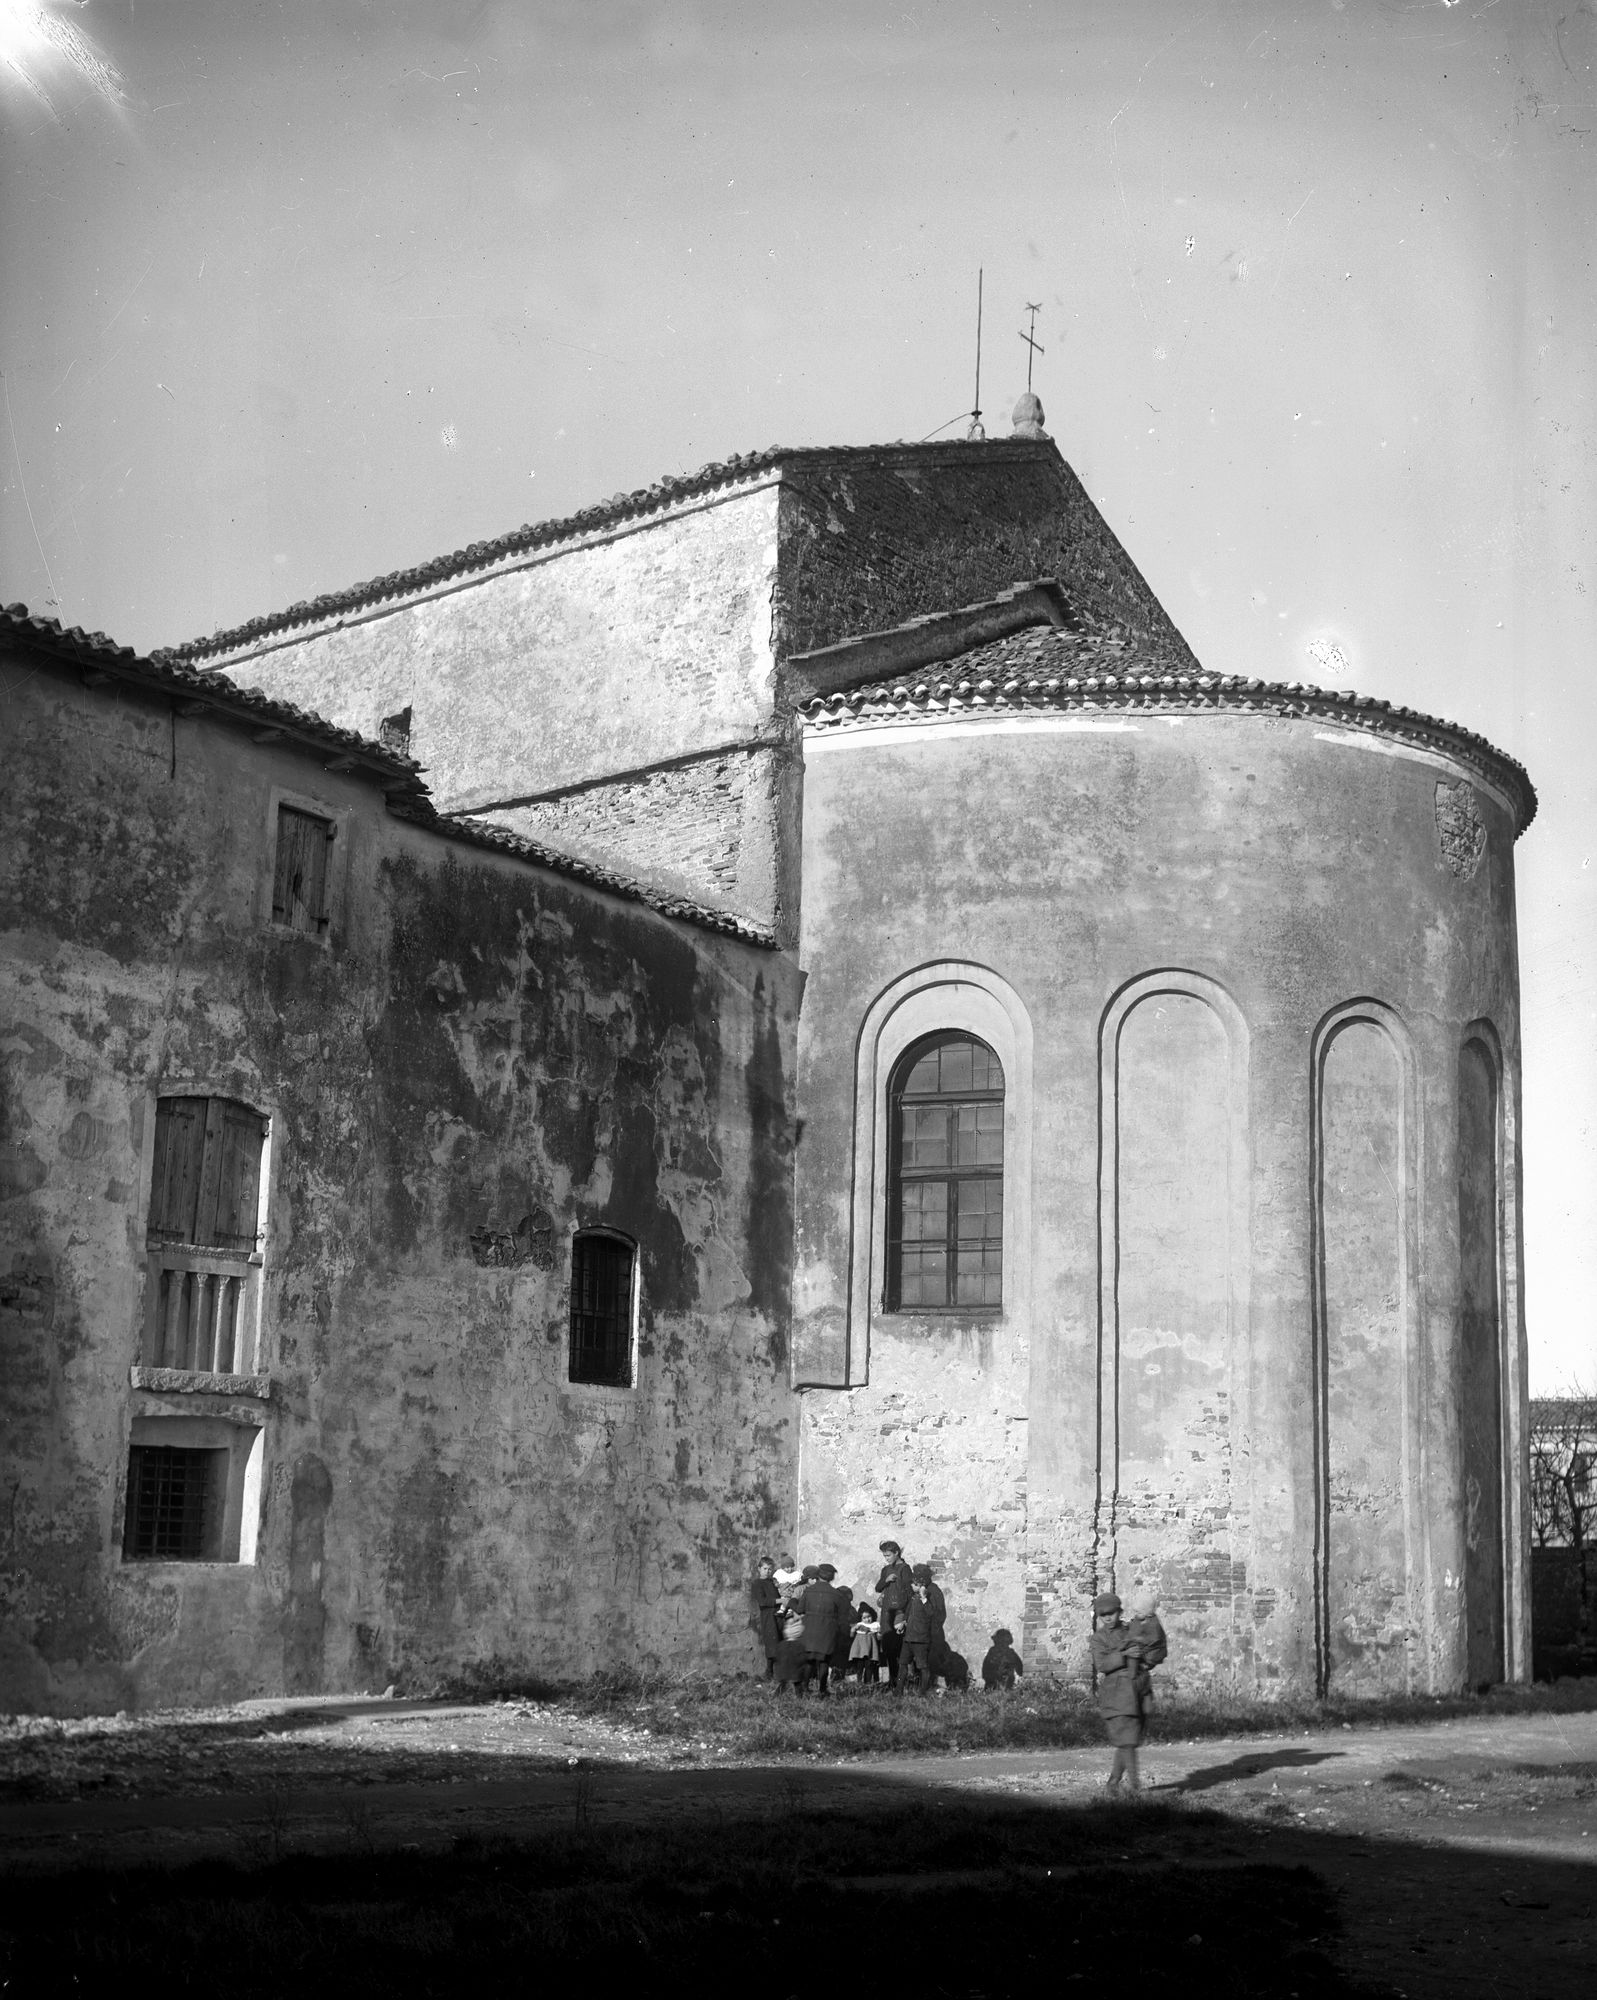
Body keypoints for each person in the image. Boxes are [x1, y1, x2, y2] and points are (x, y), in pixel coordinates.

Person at [1090, 1591, 1145, 1790]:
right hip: (1117, 1695)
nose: (1107, 1617)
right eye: (1103, 1615)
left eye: (1111, 1613)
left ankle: (1113, 1782)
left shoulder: (1130, 1630)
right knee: (1128, 1741)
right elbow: (1102, 1664)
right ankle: (1135, 1787)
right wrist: (1124, 1654)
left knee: (1128, 1741)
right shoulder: (1098, 1639)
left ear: (1119, 1612)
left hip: (1137, 1690)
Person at [875, 1541, 913, 1688]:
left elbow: (910, 1594)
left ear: (897, 1552)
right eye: (884, 1556)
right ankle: (892, 1681)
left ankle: (902, 1683)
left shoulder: (905, 1569)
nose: (887, 1558)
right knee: (888, 1649)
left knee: (900, 1650)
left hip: (899, 1614)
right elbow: (878, 1588)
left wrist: (905, 1617)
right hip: (886, 1615)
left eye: (889, 1555)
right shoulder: (885, 1570)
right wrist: (886, 1580)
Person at [797, 1563, 839, 1696]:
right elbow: (840, 1613)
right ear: (832, 1577)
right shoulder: (835, 1593)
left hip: (809, 1629)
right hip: (827, 1630)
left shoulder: (809, 1590)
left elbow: (800, 1609)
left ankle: (804, 1687)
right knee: (824, 1660)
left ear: (818, 1575)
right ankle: (822, 1689)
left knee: (809, 1660)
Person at [1123, 1584, 1167, 1708]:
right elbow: (1134, 1627)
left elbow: (1154, 1639)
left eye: (1138, 1612)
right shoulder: (1139, 1619)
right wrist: (1128, 1626)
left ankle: (1133, 1684)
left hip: (1152, 1652)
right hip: (1143, 1649)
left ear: (1147, 1612)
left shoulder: (1153, 1623)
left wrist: (1138, 1639)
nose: (1136, 1614)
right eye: (1135, 1611)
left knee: (1134, 1658)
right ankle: (1135, 1685)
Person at [900, 1574, 936, 1695]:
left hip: (921, 1640)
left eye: (915, 1584)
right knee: (903, 1663)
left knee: (922, 1666)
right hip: (908, 1637)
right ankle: (898, 1691)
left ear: (922, 1586)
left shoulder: (929, 1598)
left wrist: (924, 1597)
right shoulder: (913, 1598)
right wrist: (903, 1623)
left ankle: (922, 1692)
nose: (911, 1585)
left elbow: (931, 1613)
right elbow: (908, 1612)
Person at [751, 1556, 783, 1680]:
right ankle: (769, 1672)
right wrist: (780, 1600)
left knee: (780, 1642)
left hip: (779, 1615)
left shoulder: (772, 1582)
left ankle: (779, 1673)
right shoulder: (757, 1583)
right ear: (759, 1569)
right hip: (768, 1616)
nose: (767, 1571)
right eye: (765, 1569)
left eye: (770, 1569)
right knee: (771, 1643)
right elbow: (762, 1601)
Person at [849, 1601, 881, 1685]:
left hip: (870, 1650)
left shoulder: (875, 1625)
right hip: (860, 1650)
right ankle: (859, 1683)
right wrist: (852, 1630)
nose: (867, 1619)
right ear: (861, 1618)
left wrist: (879, 1633)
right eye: (864, 1618)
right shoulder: (859, 1625)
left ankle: (868, 1684)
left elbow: (878, 1637)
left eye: (869, 1617)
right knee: (860, 1667)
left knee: (869, 1667)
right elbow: (852, 1635)